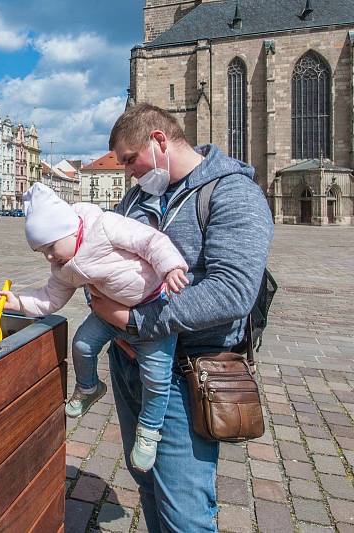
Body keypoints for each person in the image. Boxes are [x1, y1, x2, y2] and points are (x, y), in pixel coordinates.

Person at [88, 103, 273, 532]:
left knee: (184, 511)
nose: (130, 173)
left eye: (132, 161)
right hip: (129, 362)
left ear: (159, 140)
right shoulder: (138, 196)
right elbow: (101, 251)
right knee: (147, 482)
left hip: (185, 373)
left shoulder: (233, 192)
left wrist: (133, 320)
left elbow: (231, 292)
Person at [0, 182, 190, 472]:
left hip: (152, 308)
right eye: (42, 252)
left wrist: (171, 267)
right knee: (82, 344)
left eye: (50, 247)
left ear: (69, 230)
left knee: (156, 377)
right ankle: (89, 387)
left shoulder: (106, 226)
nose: (49, 256)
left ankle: (149, 430)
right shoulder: (64, 266)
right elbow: (50, 298)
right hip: (107, 314)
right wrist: (19, 302)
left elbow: (150, 241)